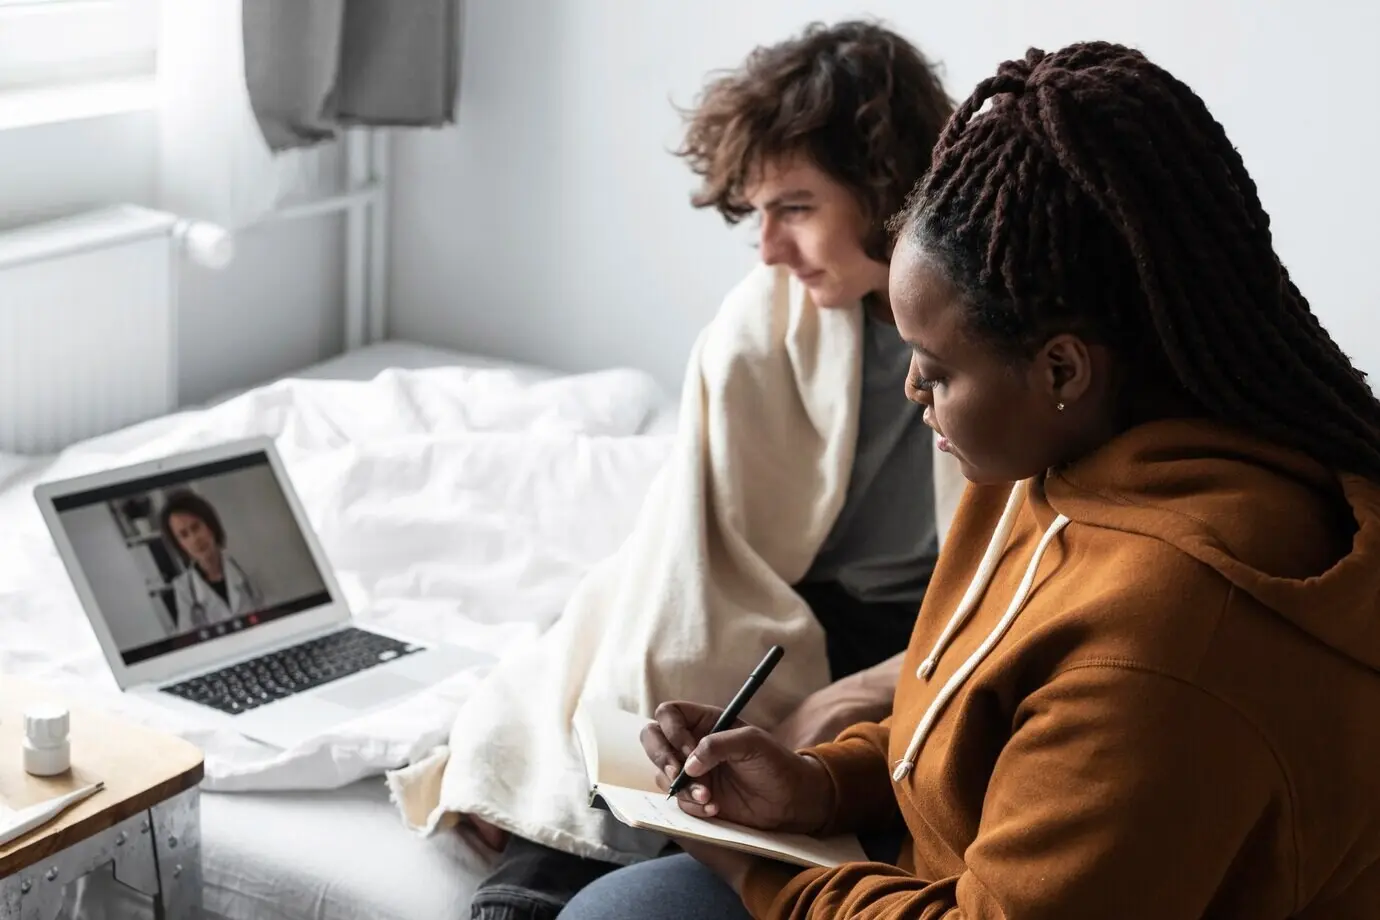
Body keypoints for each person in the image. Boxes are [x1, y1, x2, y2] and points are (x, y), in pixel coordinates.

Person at [560, 40, 1380, 919]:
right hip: (941, 859)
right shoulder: (1058, 462)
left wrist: (756, 874)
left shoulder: (1163, 645)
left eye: (936, 368)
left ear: (1062, 370)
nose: (915, 388)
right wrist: (814, 787)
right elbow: (977, 725)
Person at [464, 19, 955, 920]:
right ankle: (546, 869)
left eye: (796, 208)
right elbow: (689, 562)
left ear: (887, 190)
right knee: (650, 695)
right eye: (756, 212)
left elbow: (1022, 577)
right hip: (791, 597)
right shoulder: (757, 328)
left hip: (928, 616)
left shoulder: (994, 341)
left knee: (809, 744)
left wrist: (871, 685)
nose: (767, 246)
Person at [161, 488, 263, 629]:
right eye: (184, 535)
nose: (194, 539)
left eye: (196, 527)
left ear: (210, 524)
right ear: (180, 545)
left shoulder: (246, 566)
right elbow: (188, 641)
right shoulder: (183, 588)